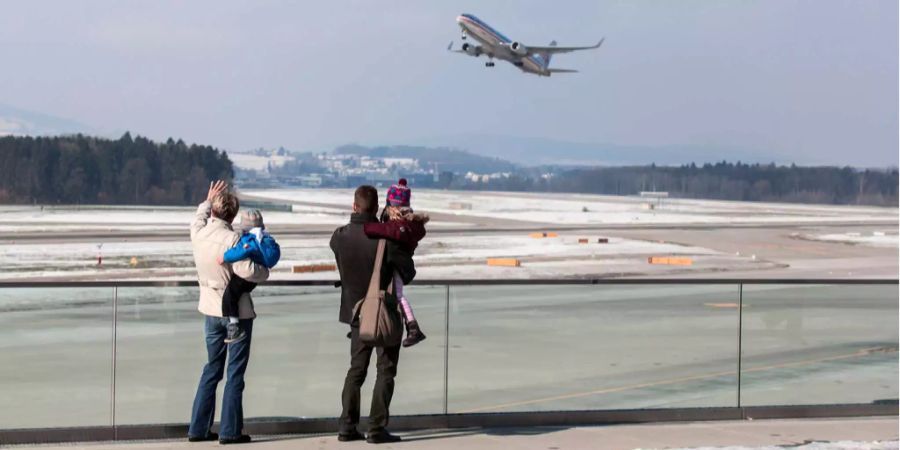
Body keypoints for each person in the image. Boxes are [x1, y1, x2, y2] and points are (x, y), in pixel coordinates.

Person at [330, 185, 416, 444]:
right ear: (377, 208)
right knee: (385, 371)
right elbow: (408, 273)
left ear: (354, 207)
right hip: (384, 312)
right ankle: (377, 429)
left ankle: (347, 426)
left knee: (356, 370)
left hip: (355, 314)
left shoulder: (339, 237)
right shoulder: (385, 240)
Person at [187, 181, 270, 445]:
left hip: (210, 311)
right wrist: (264, 271)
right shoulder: (232, 239)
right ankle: (230, 431)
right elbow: (247, 271)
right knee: (235, 374)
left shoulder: (199, 234)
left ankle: (198, 429)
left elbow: (196, 221)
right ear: (233, 216)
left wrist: (206, 201)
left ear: (213, 211)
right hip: (237, 314)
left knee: (212, 369)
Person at [363, 179, 428, 347]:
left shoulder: (400, 227)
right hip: (400, 262)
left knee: (398, 295)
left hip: (398, 264)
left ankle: (413, 327)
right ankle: (411, 327)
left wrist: (366, 226)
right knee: (396, 294)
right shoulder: (410, 225)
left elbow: (385, 230)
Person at [215, 209, 281, 344]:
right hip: (257, 275)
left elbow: (238, 252)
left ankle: (233, 327)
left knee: (229, 296)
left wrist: (224, 257)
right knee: (240, 293)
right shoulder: (266, 238)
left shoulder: (250, 240)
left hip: (247, 276)